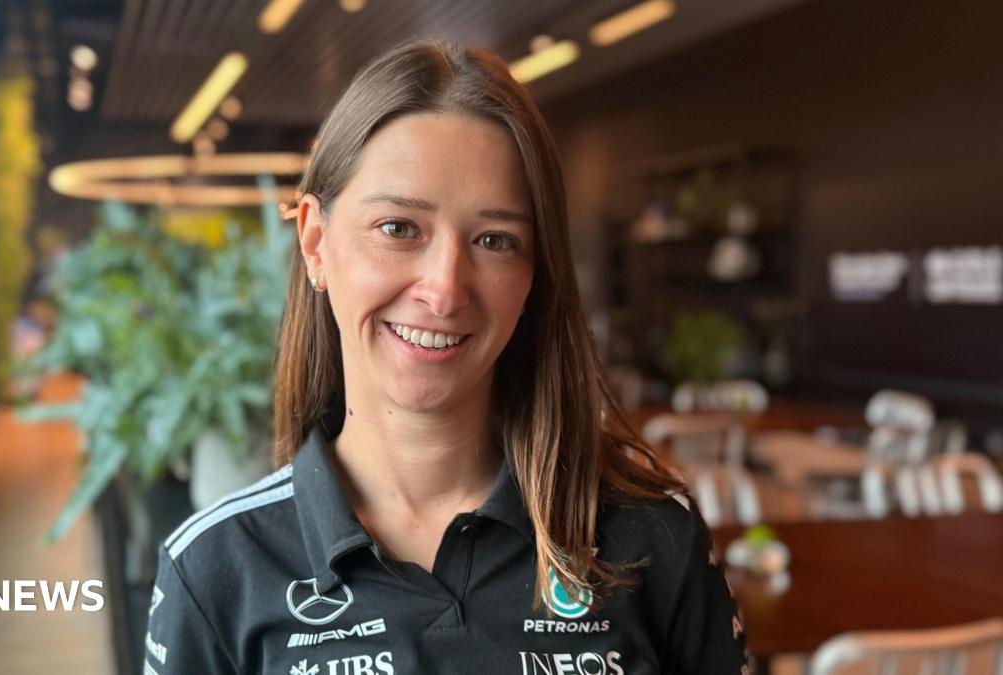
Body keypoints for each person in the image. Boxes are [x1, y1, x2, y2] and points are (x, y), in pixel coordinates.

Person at [148, 39, 750, 674]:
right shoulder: (215, 568)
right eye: (399, 229)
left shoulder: (651, 536)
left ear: (534, 278)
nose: (443, 290)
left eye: (495, 240)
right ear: (315, 241)